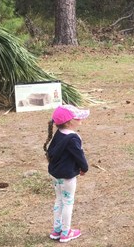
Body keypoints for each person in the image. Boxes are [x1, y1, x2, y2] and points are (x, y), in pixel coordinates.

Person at [43, 104, 90, 243]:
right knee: (68, 202)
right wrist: (84, 168)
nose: (80, 119)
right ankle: (66, 232)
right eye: (77, 117)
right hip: (67, 176)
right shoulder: (73, 138)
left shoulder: (58, 134)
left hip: (55, 174)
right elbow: (79, 156)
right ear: (69, 122)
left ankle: (56, 230)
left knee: (59, 201)